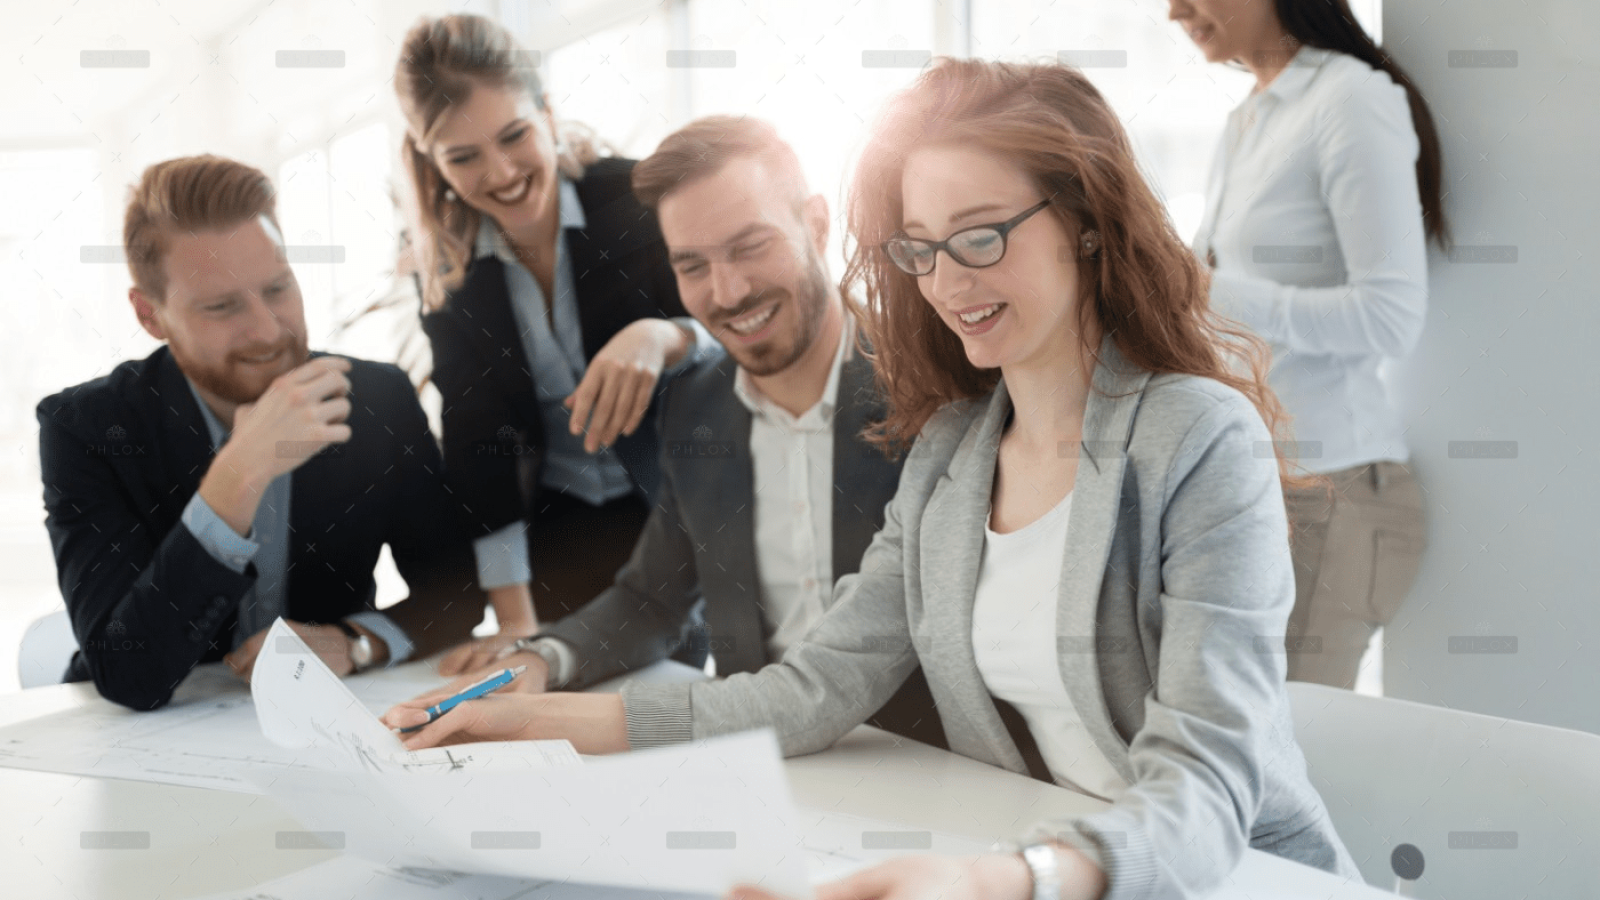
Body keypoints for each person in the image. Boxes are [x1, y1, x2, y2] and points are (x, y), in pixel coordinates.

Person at [384, 59, 1362, 900]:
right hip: (1027, 861)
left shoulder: (1198, 440)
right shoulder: (951, 453)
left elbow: (1206, 777)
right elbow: (808, 691)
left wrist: (1014, 877)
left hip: (1221, 874)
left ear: (1084, 222)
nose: (948, 283)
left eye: (981, 234)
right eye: (921, 248)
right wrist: (524, 715)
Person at [419, 116, 945, 749]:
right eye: (692, 265)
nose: (728, 291)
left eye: (751, 246)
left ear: (817, 224)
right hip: (753, 758)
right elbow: (652, 599)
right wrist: (541, 660)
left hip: (919, 759)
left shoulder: (930, 384)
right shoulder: (696, 405)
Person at [37, 155, 484, 711]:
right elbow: (127, 673)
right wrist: (237, 477)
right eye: (222, 306)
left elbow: (457, 594)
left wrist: (356, 643)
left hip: (319, 725)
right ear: (150, 315)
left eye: (277, 289)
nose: (268, 331)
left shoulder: (377, 399)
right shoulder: (86, 429)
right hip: (144, 739)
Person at [394, 14, 715, 673]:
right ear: (431, 161)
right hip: (559, 532)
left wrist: (667, 335)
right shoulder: (447, 271)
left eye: (514, 135)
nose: (502, 172)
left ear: (545, 110)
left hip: (676, 512)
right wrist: (513, 617)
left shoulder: (634, 197)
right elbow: (475, 440)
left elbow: (736, 334)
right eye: (463, 157)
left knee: (679, 698)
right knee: (568, 710)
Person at [1169, 0, 1444, 687]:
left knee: (1298, 755)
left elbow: (1390, 316)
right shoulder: (1248, 119)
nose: (1172, 11)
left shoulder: (1350, 99)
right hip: (1261, 484)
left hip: (1340, 494)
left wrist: (1211, 291)